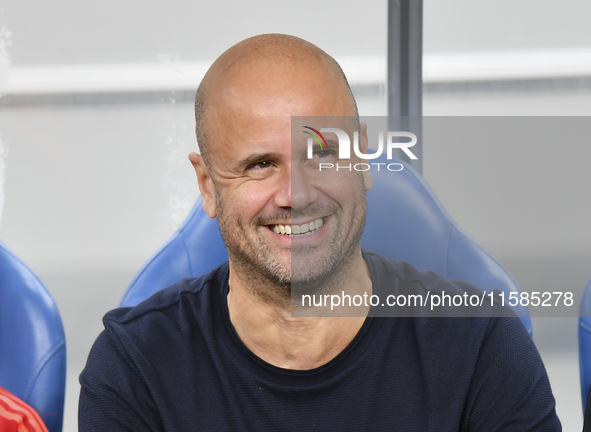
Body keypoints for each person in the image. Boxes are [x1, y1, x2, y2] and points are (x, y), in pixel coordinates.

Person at [79, 34, 560, 430]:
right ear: (207, 185)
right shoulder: (135, 367)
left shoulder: (482, 346)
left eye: (322, 154)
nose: (297, 194)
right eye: (261, 164)